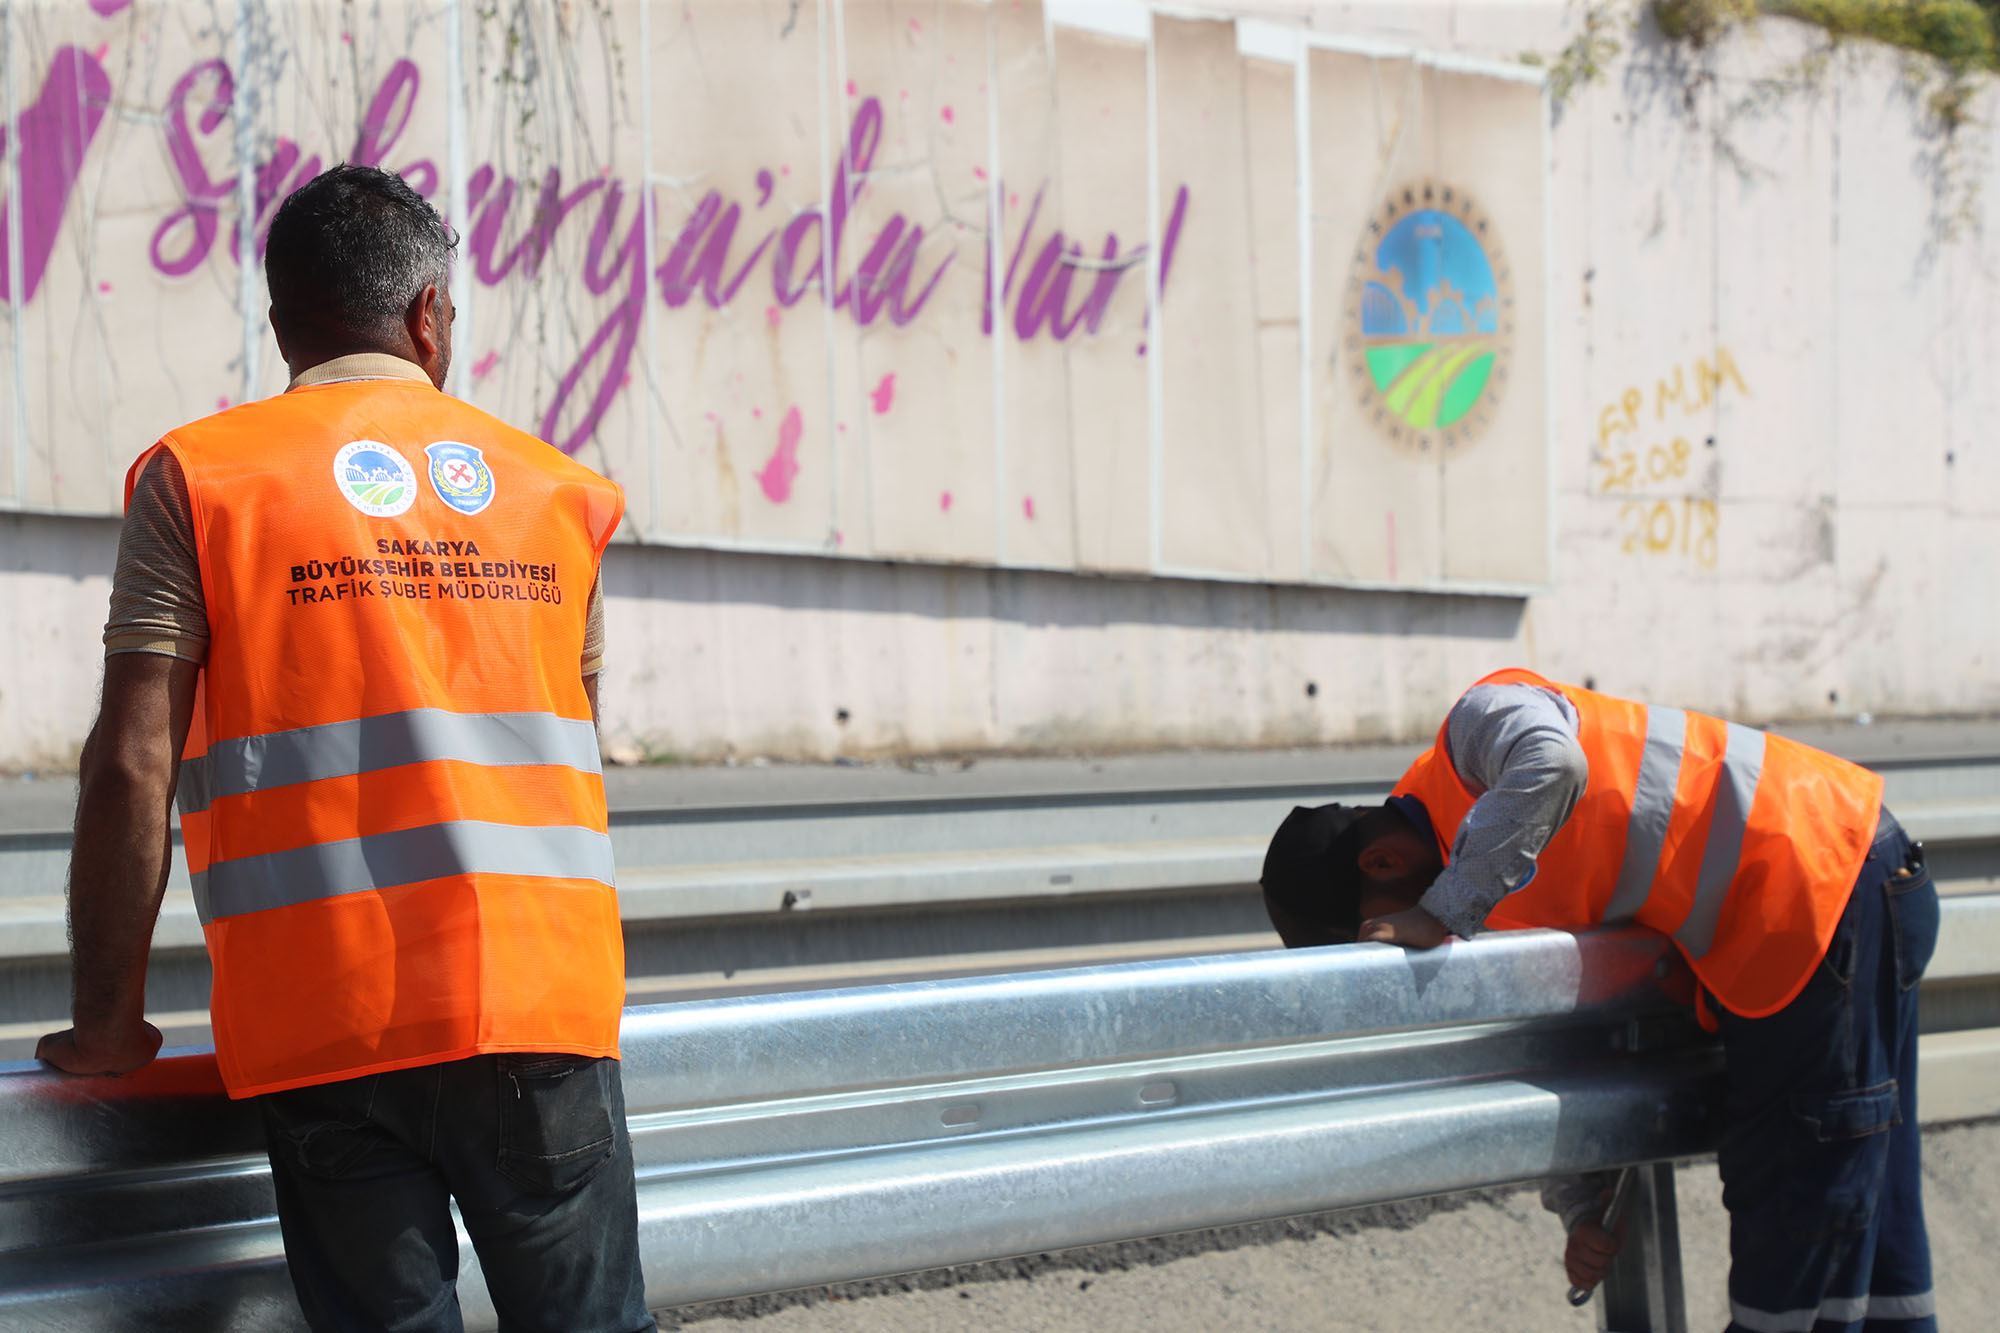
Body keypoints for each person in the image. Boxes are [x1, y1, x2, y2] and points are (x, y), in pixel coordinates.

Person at [35, 164, 654, 1333]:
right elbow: (568, 746)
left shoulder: (203, 479)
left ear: (281, 324)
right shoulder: (558, 492)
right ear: (428, 315)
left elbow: (132, 761)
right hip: (540, 1004)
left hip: (330, 1019)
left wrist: (107, 1020)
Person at [1258, 667, 1939, 1333]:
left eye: (1379, 935)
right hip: (1836, 895)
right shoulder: (1477, 870)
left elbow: (1552, 761)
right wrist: (1583, 1206)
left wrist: (1442, 910)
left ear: (1381, 864)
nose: (1400, 952)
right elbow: (1568, 1044)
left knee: (1804, 1204)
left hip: (1826, 878)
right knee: (1875, 1225)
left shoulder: (1473, 735)